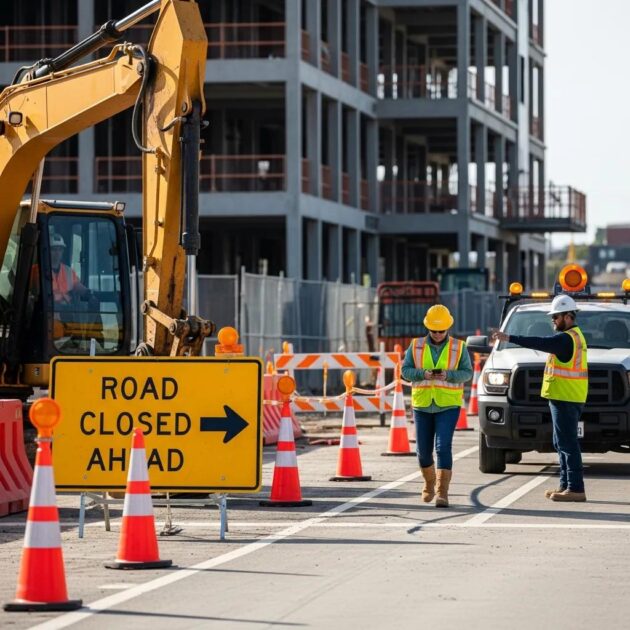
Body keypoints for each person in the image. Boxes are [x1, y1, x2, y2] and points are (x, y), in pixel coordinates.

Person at [492, 294, 588, 502]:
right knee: (560, 441)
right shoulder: (574, 336)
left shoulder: (566, 339)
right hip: (565, 396)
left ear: (568, 316)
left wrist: (510, 338)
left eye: (556, 317)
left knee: (567, 443)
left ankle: (575, 488)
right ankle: (566, 486)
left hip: (566, 397)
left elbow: (539, 342)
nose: (552, 320)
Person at [401, 304, 472, 507]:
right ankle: (429, 483)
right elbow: (405, 370)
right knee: (423, 451)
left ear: (448, 327)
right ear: (428, 328)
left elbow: (467, 373)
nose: (438, 334)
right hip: (422, 404)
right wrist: (422, 373)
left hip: (448, 405)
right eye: (434, 330)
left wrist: (448, 375)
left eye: (442, 330)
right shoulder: (415, 346)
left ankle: (442, 492)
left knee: (442, 447)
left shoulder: (459, 347)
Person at [49, 234, 90, 305]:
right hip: (48, 309)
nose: (57, 253)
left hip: (66, 309)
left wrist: (89, 294)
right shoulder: (37, 270)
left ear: (62, 251)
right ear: (47, 251)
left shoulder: (68, 271)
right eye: (54, 249)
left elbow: (77, 285)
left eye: (60, 249)